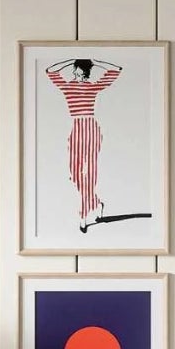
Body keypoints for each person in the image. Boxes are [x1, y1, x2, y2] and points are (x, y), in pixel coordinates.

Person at [45, 55, 124, 229]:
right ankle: (95, 202)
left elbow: (116, 70)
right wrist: (71, 59)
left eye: (77, 69)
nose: (74, 72)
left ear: (85, 72)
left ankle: (84, 212)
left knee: (90, 171)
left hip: (91, 127)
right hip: (76, 128)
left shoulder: (93, 87)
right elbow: (50, 71)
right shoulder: (67, 87)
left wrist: (95, 62)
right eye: (74, 69)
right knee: (75, 173)